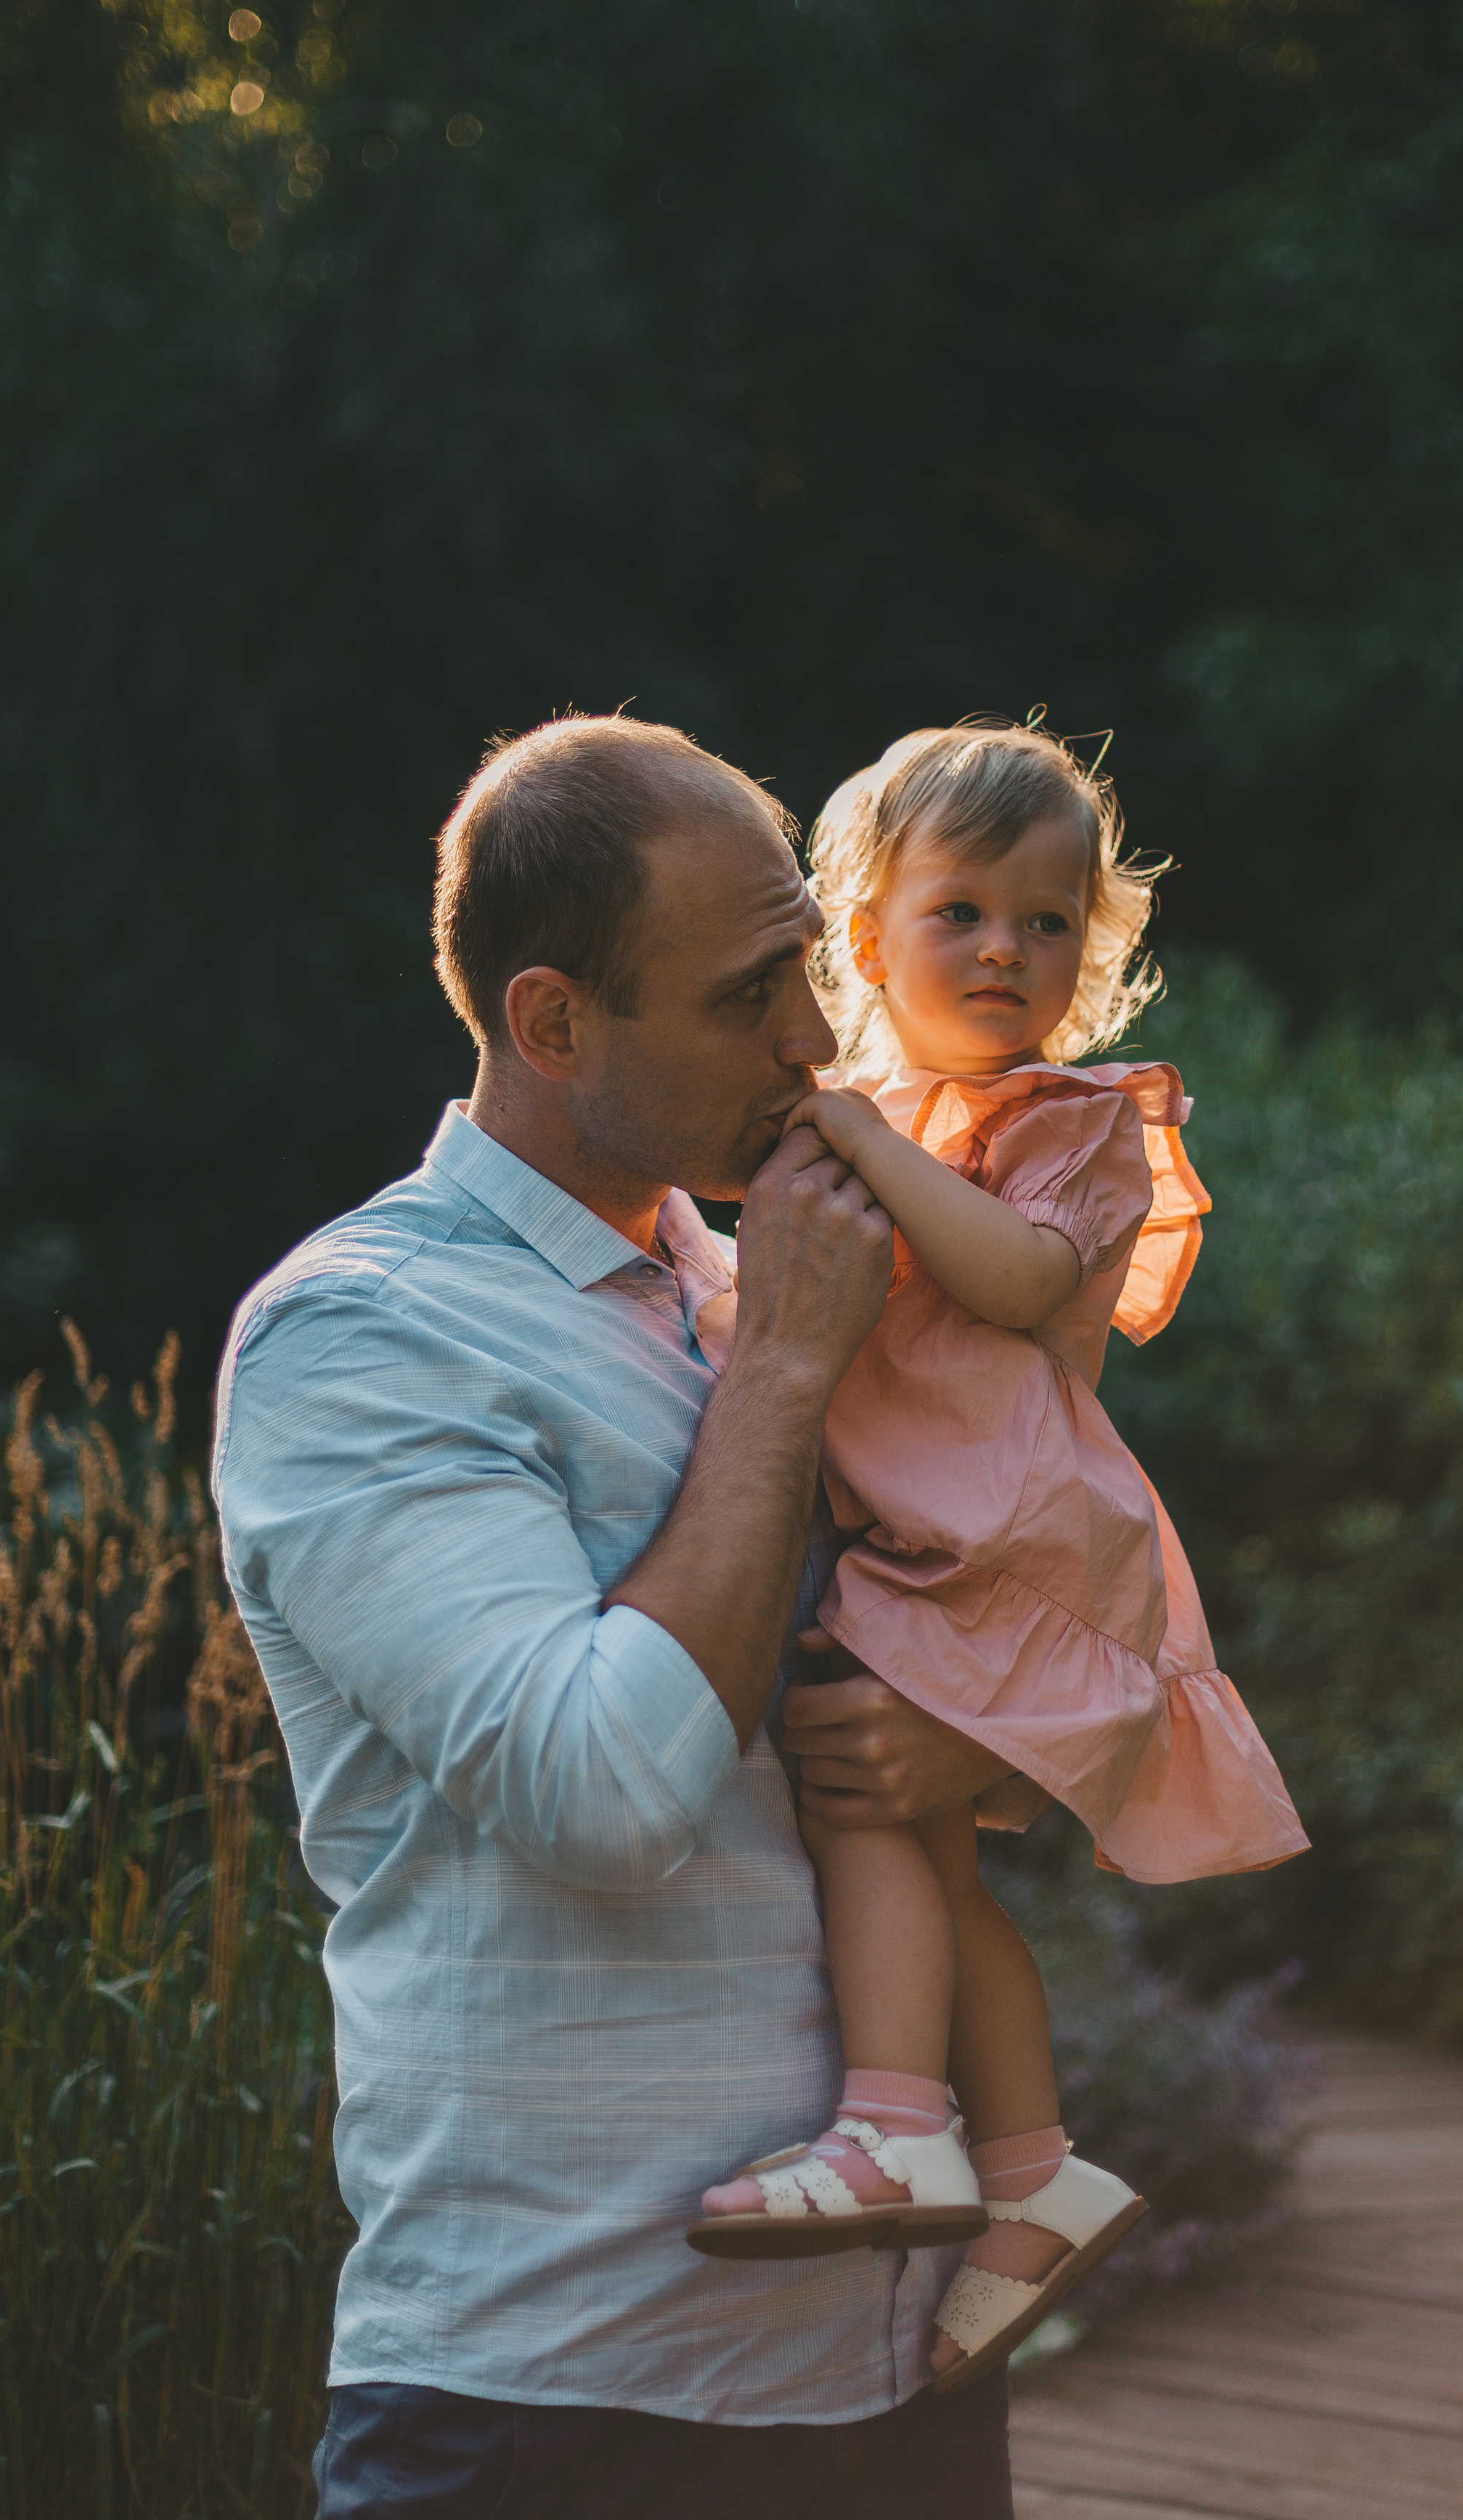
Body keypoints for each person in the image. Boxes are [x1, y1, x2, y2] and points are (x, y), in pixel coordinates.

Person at [211, 717, 1023, 2520]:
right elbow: (604, 1794)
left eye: (811, 963)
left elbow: (974, 1650)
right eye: (750, 994)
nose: (817, 1040)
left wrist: (974, 1744)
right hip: (562, 2399)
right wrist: (791, 1371)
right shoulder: (361, 1337)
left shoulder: (759, 1287)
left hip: (893, 2369)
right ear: (552, 1021)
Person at [690, 722, 1308, 2386]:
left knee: (866, 1804)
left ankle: (899, 2125)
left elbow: (1022, 1282)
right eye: (959, 910)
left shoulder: (1069, 1118)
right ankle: (1031, 2173)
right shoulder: (880, 1114)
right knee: (917, 1854)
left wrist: (864, 1139)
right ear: (863, 931)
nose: (1003, 952)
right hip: (922, 1533)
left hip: (1006, 1541)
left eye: (1048, 923)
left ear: (1091, 953)